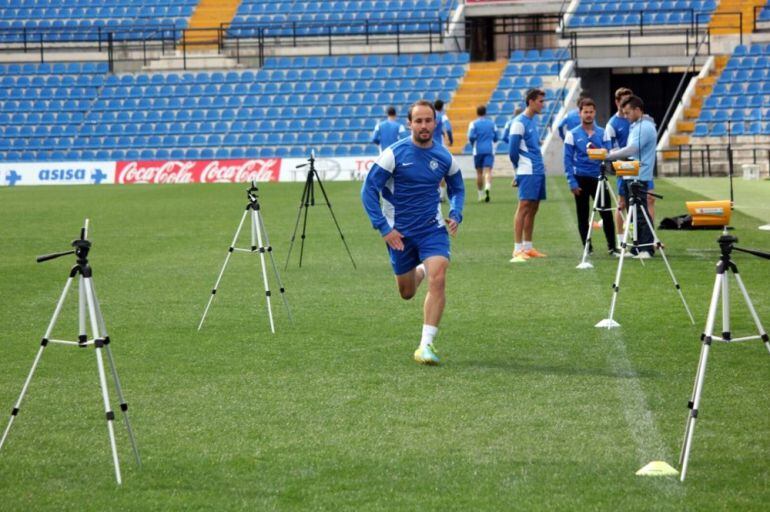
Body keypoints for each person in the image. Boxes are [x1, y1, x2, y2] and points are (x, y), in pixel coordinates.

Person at [361, 99, 465, 365]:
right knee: (406, 292)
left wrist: (455, 213)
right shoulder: (393, 155)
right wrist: (384, 228)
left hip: (433, 229)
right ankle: (419, 270)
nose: (424, 125)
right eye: (418, 121)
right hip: (399, 234)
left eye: (428, 120)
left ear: (435, 122)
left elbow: (457, 187)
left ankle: (426, 345)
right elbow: (368, 191)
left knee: (439, 275)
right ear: (409, 124)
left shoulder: (444, 157)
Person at [563, 98, 617, 255]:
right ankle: (588, 248)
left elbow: (608, 153)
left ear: (595, 113)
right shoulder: (572, 134)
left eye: (591, 112)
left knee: (606, 212)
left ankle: (612, 247)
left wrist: (599, 150)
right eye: (585, 112)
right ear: (579, 113)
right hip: (580, 178)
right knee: (583, 215)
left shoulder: (603, 132)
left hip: (598, 178)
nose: (588, 115)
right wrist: (571, 181)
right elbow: (567, 160)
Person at [607, 95, 656, 258]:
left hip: (639, 175)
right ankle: (636, 247)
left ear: (637, 110)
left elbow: (632, 149)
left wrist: (610, 156)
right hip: (631, 173)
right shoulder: (637, 126)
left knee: (640, 212)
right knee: (634, 213)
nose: (626, 116)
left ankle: (647, 248)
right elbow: (630, 149)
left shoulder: (644, 127)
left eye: (628, 113)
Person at [508, 88, 548, 263]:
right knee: (523, 207)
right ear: (531, 101)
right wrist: (518, 170)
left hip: (538, 170)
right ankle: (517, 249)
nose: (543, 104)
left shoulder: (532, 122)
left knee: (534, 208)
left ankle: (528, 246)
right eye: (540, 101)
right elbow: (512, 151)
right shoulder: (519, 122)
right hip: (527, 171)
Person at [605, 87, 634, 246]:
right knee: (622, 203)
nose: (626, 104)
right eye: (623, 101)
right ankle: (621, 241)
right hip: (623, 166)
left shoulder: (635, 119)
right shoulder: (613, 124)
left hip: (637, 165)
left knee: (638, 203)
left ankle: (637, 238)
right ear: (617, 102)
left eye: (629, 101)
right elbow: (613, 150)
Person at [468, 105, 498, 202]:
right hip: (489, 149)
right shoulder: (492, 123)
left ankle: (480, 195)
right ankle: (487, 188)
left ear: (477, 113)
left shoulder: (473, 124)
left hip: (478, 150)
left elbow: (471, 136)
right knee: (488, 171)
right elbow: (496, 137)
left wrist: (473, 143)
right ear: (485, 113)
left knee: (479, 173)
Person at [434, 99, 453, 201]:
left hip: (427, 146)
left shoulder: (430, 116)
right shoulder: (443, 116)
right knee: (440, 170)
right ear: (442, 107)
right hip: (439, 147)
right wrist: (450, 139)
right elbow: (448, 128)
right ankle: (442, 195)